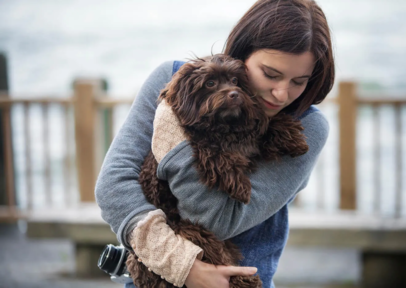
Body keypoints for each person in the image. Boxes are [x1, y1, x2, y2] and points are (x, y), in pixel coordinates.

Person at [95, 0, 334, 287]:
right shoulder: (172, 82)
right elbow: (113, 185)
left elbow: (217, 221)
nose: (282, 95)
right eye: (270, 74)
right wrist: (179, 264)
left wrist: (174, 141)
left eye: (300, 81)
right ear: (242, 53)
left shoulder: (305, 126)